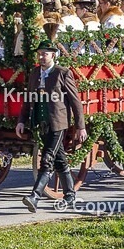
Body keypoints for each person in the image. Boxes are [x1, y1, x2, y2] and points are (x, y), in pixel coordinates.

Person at [16, 39, 87, 211]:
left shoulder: (62, 73)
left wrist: (80, 126)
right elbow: (29, 100)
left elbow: (74, 101)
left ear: (53, 55)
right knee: (60, 160)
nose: (41, 57)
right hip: (41, 122)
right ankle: (70, 195)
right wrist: (21, 121)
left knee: (47, 158)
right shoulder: (34, 73)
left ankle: (35, 196)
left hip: (57, 123)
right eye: (39, 54)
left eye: (45, 54)